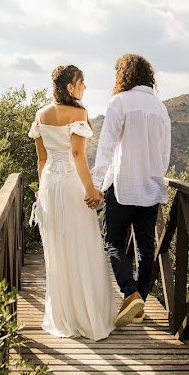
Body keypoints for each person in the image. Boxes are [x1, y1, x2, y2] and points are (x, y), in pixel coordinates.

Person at [28, 65, 116, 340]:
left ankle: (64, 316)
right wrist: (92, 190)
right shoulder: (79, 114)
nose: (85, 87)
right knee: (83, 245)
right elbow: (78, 155)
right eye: (81, 82)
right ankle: (87, 316)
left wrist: (41, 191)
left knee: (59, 251)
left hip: (50, 187)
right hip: (70, 185)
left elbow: (41, 160)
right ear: (70, 87)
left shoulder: (41, 115)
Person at [92, 54, 171, 327]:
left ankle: (130, 292)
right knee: (146, 248)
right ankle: (140, 302)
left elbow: (106, 149)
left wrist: (95, 185)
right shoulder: (161, 108)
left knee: (114, 241)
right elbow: (165, 155)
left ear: (123, 75)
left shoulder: (120, 102)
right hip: (150, 188)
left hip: (122, 187)